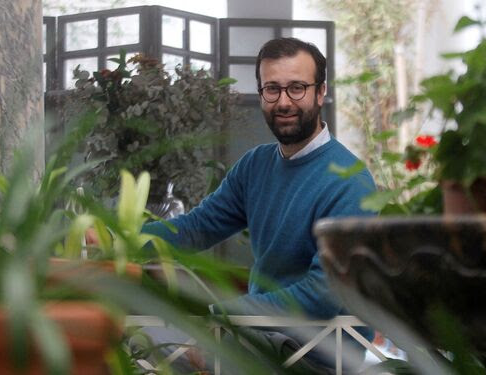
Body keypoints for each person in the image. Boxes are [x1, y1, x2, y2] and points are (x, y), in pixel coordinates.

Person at [132, 37, 377, 374]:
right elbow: (195, 228)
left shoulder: (350, 182)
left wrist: (222, 318)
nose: (284, 102)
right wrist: (116, 239)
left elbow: (322, 296)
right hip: (256, 332)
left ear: (320, 93)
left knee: (182, 353)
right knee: (138, 341)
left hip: (317, 353)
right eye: (272, 89)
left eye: (297, 88)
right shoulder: (255, 166)